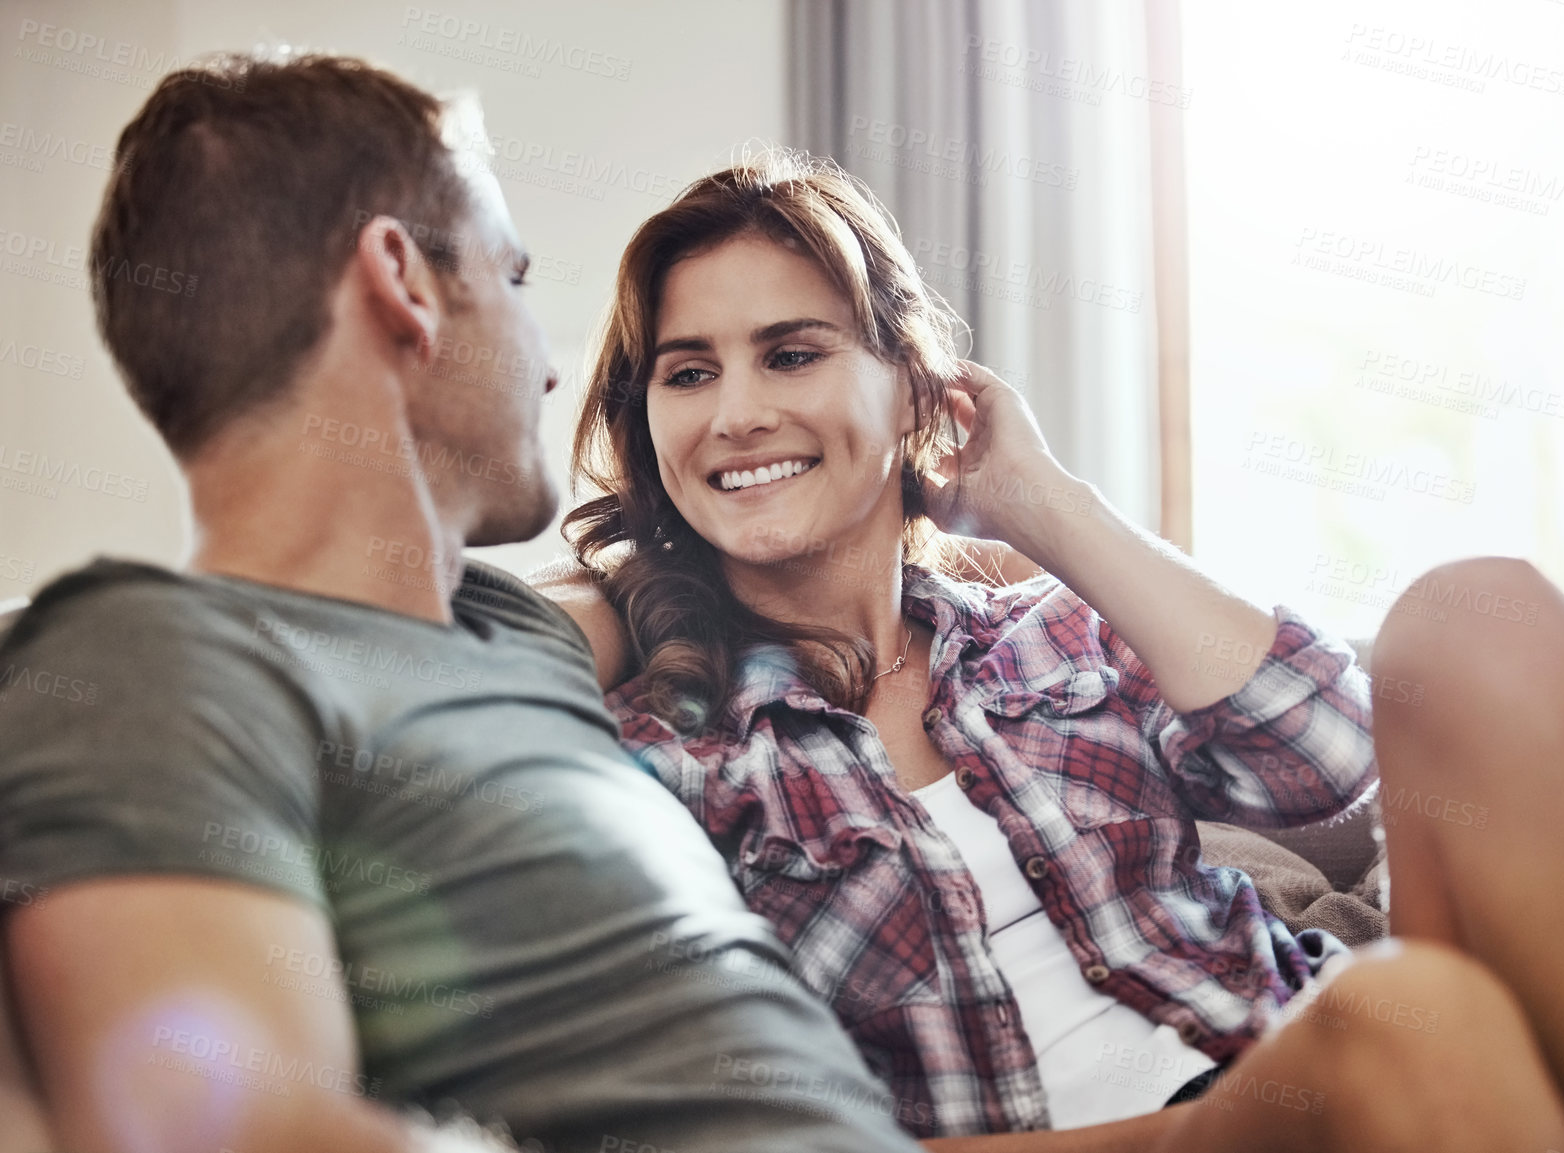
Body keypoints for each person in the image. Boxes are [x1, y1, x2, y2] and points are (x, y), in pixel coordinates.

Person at [540, 148, 1564, 1151]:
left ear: (913, 393)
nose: (736, 410)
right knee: (1397, 1024)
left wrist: (1045, 504)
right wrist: (618, 592)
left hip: (1321, 1056)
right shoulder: (654, 744)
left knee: (1484, 617)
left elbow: (1325, 756)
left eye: (791, 353)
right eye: (687, 372)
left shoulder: (1044, 630)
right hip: (1138, 1120)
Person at [0, 56, 928, 1153]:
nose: (548, 370)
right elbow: (223, 1130)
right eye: (517, 278)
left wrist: (1024, 516)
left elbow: (790, 569)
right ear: (401, 279)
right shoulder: (143, 661)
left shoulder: (518, 633)